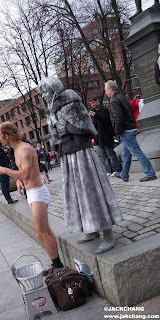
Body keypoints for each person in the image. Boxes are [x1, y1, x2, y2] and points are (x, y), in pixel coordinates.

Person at [38, 76, 123, 254]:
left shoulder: (70, 100)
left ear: (52, 90)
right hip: (67, 155)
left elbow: (85, 126)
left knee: (91, 191)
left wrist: (65, 127)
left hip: (81, 153)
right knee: (78, 193)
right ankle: (91, 229)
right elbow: (56, 132)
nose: (43, 95)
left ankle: (108, 235)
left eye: (45, 91)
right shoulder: (52, 107)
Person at [0, 122, 63, 269]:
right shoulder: (16, 150)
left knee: (41, 234)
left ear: (7, 136)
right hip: (31, 194)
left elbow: (26, 173)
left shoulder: (25, 149)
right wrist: (19, 180)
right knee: (46, 232)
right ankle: (57, 264)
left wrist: (4, 170)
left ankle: (58, 267)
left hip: (38, 193)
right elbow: (24, 173)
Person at [105, 80, 157, 182]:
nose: (106, 93)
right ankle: (124, 174)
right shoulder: (121, 97)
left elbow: (118, 118)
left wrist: (117, 132)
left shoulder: (114, 101)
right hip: (131, 127)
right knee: (127, 153)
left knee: (137, 152)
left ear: (111, 89)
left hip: (126, 130)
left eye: (106, 90)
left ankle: (150, 173)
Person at [89, 97, 121, 176]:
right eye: (91, 103)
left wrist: (95, 115)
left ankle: (116, 169)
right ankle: (109, 170)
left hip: (106, 136)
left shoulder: (103, 109)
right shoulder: (94, 112)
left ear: (97, 101)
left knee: (110, 154)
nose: (93, 104)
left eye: (93, 102)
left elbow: (106, 119)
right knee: (105, 156)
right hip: (99, 137)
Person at [0, 131, 18, 204]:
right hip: (0, 165)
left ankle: (9, 198)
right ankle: (8, 199)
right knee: (4, 182)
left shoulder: (0, 144)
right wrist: (3, 152)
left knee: (7, 182)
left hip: (5, 164)